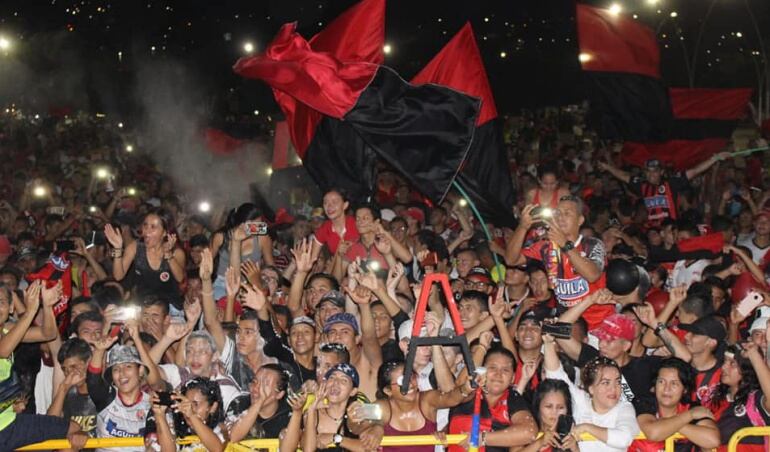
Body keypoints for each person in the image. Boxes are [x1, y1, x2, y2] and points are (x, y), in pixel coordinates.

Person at [506, 196, 609, 328]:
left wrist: (565, 244)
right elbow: (511, 259)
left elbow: (592, 275)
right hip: (568, 325)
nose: (561, 217)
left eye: (567, 213)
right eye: (557, 213)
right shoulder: (545, 246)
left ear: (580, 220)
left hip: (599, 324)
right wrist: (522, 227)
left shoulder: (592, 244)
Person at [543, 332, 640, 452]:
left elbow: (624, 439)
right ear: (591, 389)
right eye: (606, 383)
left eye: (618, 382)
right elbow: (556, 375)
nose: (614, 389)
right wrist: (548, 343)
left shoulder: (624, 407)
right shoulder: (581, 401)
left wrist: (586, 427)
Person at [373, 360, 476, 452]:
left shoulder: (427, 400)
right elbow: (359, 424)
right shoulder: (383, 406)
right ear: (388, 390)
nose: (410, 384)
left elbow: (450, 398)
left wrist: (465, 388)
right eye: (402, 381)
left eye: (411, 377)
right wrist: (376, 427)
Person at [448, 347, 538, 452]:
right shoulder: (469, 391)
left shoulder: (513, 398)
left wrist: (483, 438)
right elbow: (455, 388)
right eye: (492, 368)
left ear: (513, 378)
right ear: (482, 370)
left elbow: (529, 432)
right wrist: (482, 347)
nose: (498, 374)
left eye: (505, 370)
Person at [599, 155, 729, 226]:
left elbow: (694, 171)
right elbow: (624, 176)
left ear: (661, 172)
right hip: (652, 230)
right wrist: (608, 167)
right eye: (648, 172)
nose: (651, 175)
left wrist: (714, 158)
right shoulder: (642, 186)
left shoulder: (671, 183)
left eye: (654, 172)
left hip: (671, 228)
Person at [104, 209, 186, 315]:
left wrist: (168, 255)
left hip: (170, 310)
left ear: (164, 232)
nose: (146, 231)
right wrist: (118, 248)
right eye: (145, 225)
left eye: (153, 227)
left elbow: (180, 278)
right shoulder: (135, 247)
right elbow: (118, 276)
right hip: (142, 307)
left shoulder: (176, 252)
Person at [632, 357, 720, 452]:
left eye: (674, 383)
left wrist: (676, 425)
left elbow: (713, 440)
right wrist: (689, 416)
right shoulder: (644, 402)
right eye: (661, 382)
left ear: (685, 389)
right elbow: (653, 433)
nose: (666, 389)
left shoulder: (690, 408)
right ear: (654, 385)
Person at [712, 343, 770, 452]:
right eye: (724, 361)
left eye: (732, 363)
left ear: (747, 369)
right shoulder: (715, 400)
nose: (724, 367)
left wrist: (754, 356)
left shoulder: (756, 399)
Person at [147, 377, 226, 452]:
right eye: (185, 403)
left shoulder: (222, 428)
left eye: (195, 404)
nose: (187, 408)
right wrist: (160, 416)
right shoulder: (175, 426)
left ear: (213, 407)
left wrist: (192, 415)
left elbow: (217, 449)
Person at [516, 379, 577, 452]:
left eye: (560, 407)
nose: (554, 412)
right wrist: (541, 442)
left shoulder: (573, 436)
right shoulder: (524, 432)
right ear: (538, 406)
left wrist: (575, 449)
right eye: (548, 406)